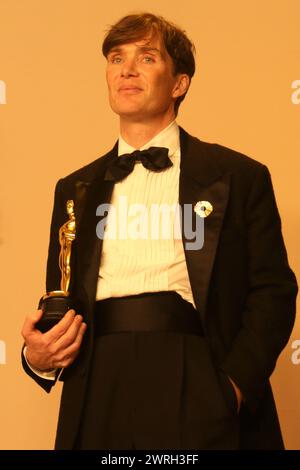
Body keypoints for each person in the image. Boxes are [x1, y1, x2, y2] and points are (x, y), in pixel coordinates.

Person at [21, 12, 297, 450]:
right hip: (97, 384)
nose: (126, 69)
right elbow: (62, 299)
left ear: (179, 83)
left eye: (146, 57)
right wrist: (37, 358)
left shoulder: (239, 175)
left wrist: (232, 389)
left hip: (196, 375)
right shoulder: (75, 189)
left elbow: (274, 292)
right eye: (116, 58)